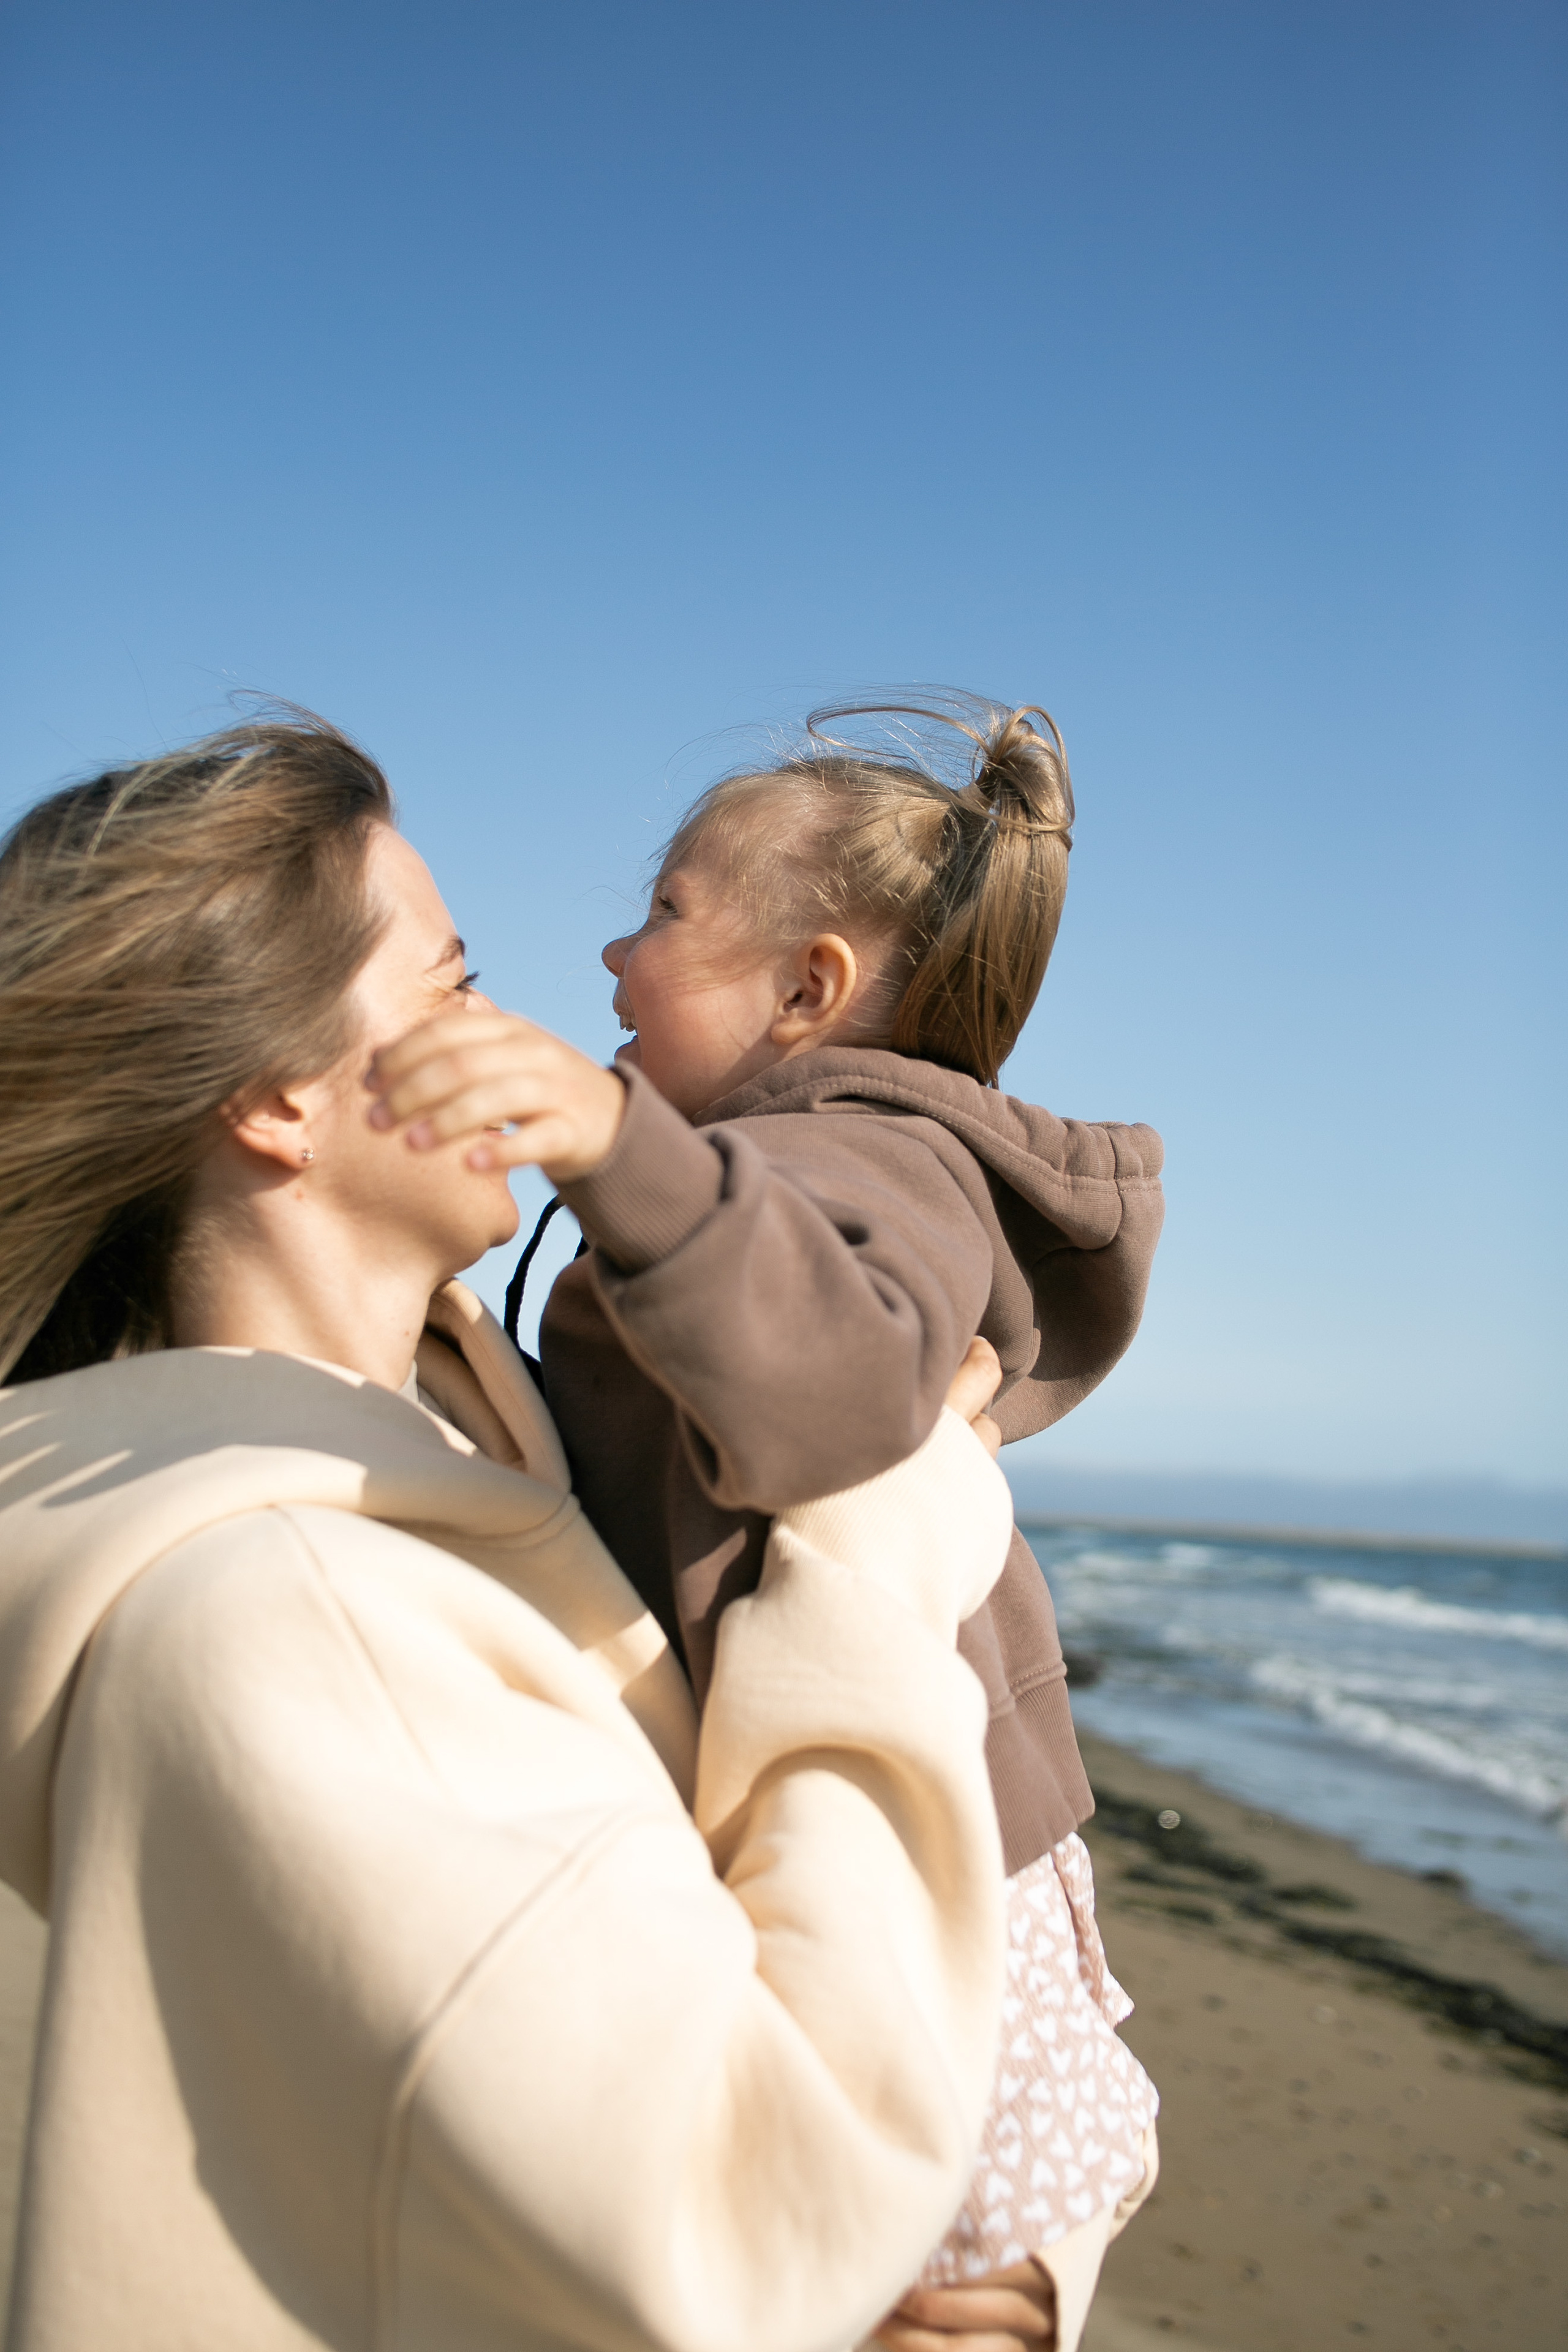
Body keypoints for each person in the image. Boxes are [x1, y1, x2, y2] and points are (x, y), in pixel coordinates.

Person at [0, 714, 1027, 2352]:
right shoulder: (295, 1609)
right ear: (276, 1099)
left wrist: (993, 2263)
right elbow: (742, 2218)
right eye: (455, 988)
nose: (521, 1028)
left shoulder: (473, 1456)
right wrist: (888, 1526)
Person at [366, 696, 1164, 2345]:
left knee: (943, 2275)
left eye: (663, 913)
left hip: (947, 1848)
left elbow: (847, 1389)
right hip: (840, 1810)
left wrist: (616, 1150)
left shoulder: (867, 1160)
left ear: (809, 990)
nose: (612, 954)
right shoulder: (757, 1174)